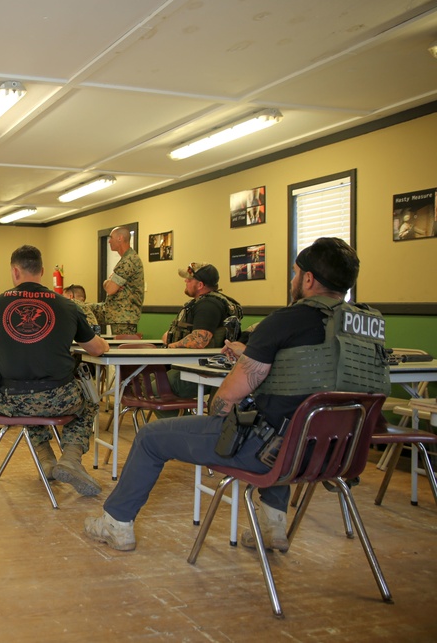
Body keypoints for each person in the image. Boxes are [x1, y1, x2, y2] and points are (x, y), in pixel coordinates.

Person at [84, 237, 389, 551]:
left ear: (308, 279)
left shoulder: (285, 321)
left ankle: (116, 523)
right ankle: (272, 527)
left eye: (296, 273)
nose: (293, 279)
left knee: (151, 437)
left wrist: (221, 412)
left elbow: (227, 399)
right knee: (290, 420)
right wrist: (255, 354)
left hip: (271, 452)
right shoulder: (369, 326)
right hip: (338, 455)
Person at [0, 245, 111, 496]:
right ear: (42, 271)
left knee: (28, 396)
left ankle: (46, 459)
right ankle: (70, 458)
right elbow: (97, 349)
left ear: (15, 272)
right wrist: (104, 342)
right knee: (88, 400)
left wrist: (5, 347)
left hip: (8, 401)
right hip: (58, 399)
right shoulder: (68, 306)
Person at [161, 263, 241, 398]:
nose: (185, 281)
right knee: (151, 380)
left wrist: (171, 345)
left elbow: (199, 340)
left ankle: (183, 420)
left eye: (189, 279)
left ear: (200, 285)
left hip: (203, 369)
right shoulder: (208, 302)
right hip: (199, 366)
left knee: (154, 387)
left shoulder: (207, 305)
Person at [102, 227, 144, 335]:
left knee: (121, 349)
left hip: (124, 317)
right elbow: (111, 286)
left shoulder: (129, 260)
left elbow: (111, 289)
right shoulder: (125, 259)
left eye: (111, 237)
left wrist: (108, 282)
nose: (109, 241)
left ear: (120, 238)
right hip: (119, 315)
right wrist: (108, 282)